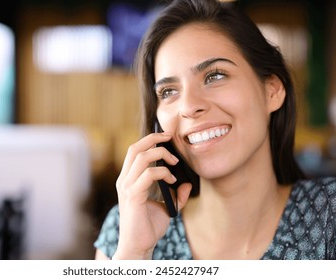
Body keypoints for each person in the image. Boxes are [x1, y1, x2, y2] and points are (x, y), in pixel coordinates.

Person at [94, 0, 336, 260]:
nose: (188, 106)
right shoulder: (125, 228)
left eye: (215, 76)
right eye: (168, 92)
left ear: (271, 91)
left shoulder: (329, 215)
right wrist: (135, 255)